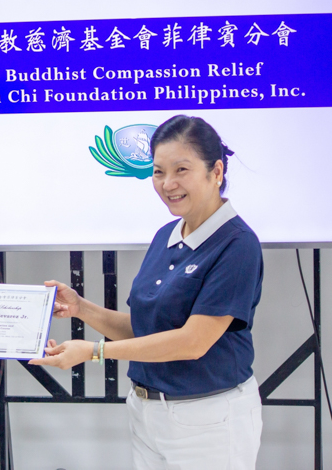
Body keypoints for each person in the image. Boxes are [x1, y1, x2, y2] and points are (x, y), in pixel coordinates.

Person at [30, 115, 263, 469]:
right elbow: (147, 328)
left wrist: (94, 352)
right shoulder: (165, 236)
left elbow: (192, 341)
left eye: (181, 169)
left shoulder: (237, 245)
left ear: (216, 172)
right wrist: (81, 308)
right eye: (158, 172)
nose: (168, 184)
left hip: (209, 419)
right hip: (147, 413)